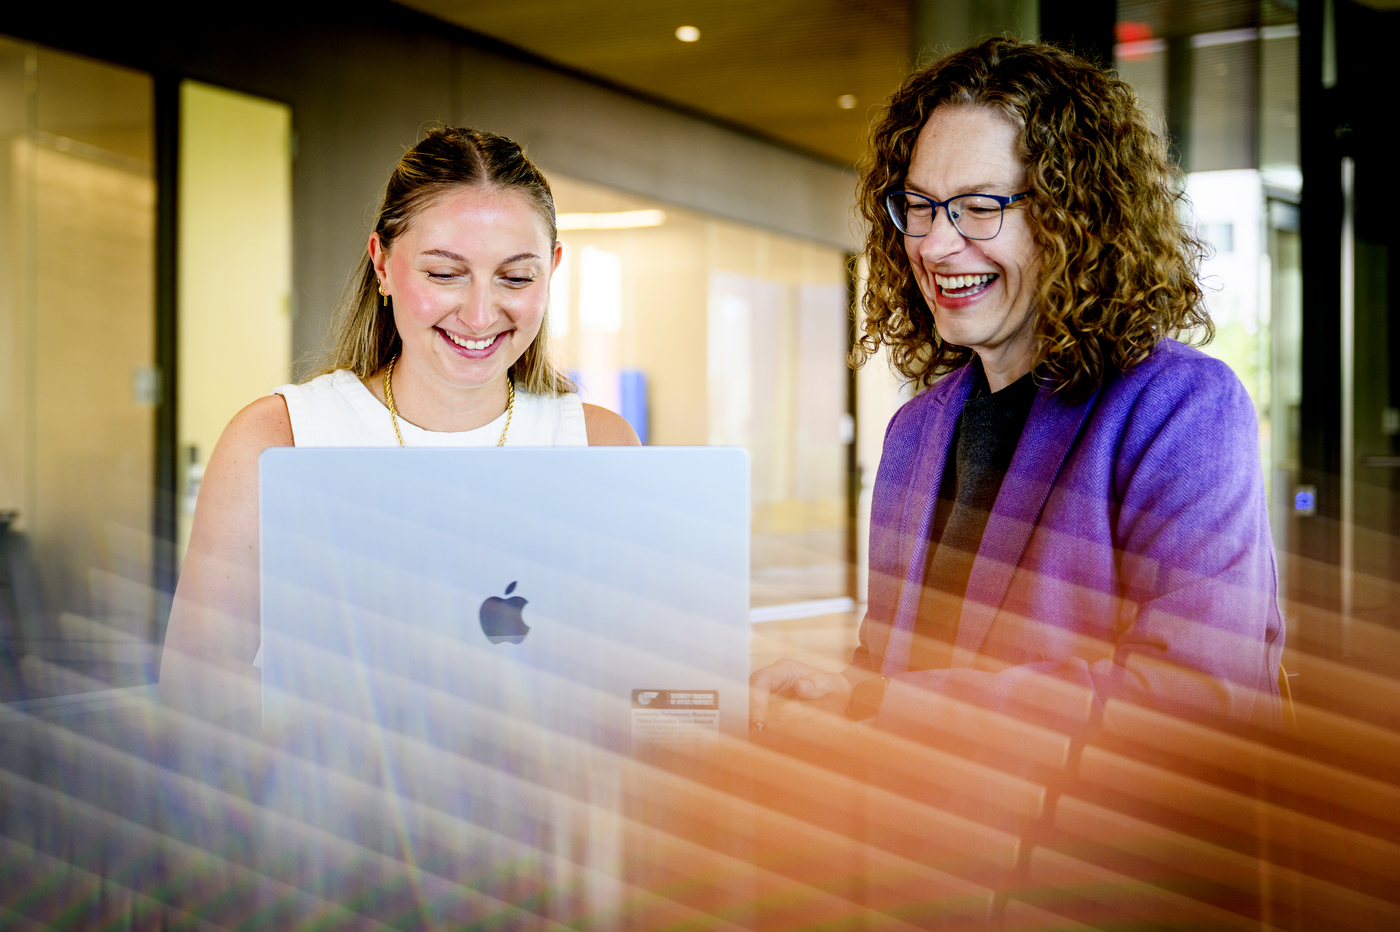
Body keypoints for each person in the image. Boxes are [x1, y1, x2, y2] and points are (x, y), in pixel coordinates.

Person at [750, 39, 1285, 739]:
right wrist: (840, 693)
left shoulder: (1181, 409)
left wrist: (883, 707)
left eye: (976, 206)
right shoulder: (915, 432)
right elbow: (892, 670)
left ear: (1074, 217)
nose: (936, 246)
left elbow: (1191, 697)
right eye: (920, 206)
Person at [160, 127, 638, 722]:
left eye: (516, 278)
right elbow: (196, 688)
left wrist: (746, 695)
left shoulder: (601, 445)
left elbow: (640, 676)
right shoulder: (277, 439)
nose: (481, 314)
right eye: (444, 274)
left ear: (552, 269)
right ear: (382, 264)